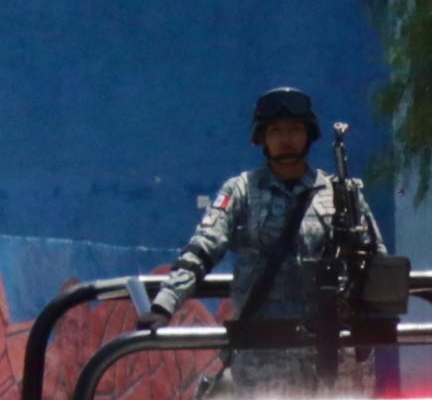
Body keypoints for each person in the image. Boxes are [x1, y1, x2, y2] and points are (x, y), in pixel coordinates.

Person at [150, 87, 386, 384]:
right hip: (262, 355)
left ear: (309, 135)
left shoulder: (340, 194)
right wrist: (165, 304)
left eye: (295, 129)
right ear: (262, 138)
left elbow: (377, 262)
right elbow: (203, 249)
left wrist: (371, 322)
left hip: (336, 356)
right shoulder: (242, 191)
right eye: (275, 131)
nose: (285, 139)